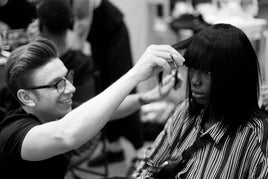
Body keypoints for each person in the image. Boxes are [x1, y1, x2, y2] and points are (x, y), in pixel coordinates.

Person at [0, 37, 184, 178]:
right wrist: (135, 74)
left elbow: (108, 109)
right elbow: (65, 135)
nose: (71, 88)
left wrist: (148, 97)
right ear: (26, 97)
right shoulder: (13, 134)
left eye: (66, 78)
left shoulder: (52, 111)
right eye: (57, 84)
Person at [132, 24, 268, 179]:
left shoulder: (255, 137)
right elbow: (148, 167)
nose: (194, 81)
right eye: (192, 69)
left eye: (206, 72)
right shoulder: (186, 112)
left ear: (232, 76)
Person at [70, 0, 147, 165]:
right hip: (98, 41)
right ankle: (114, 148)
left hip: (114, 36)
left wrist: (70, 56)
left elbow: (81, 24)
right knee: (103, 91)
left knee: (124, 87)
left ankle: (140, 150)